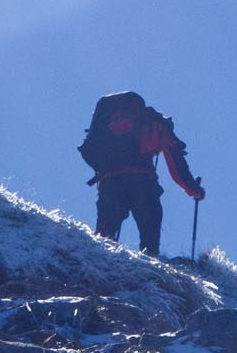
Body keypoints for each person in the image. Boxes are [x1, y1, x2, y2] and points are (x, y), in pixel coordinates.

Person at [77, 91, 204, 257]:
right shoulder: (155, 124)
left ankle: (98, 270)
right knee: (149, 239)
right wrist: (193, 189)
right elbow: (176, 165)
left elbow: (90, 149)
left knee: (104, 236)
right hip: (144, 185)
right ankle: (149, 270)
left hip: (110, 183)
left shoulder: (107, 123)